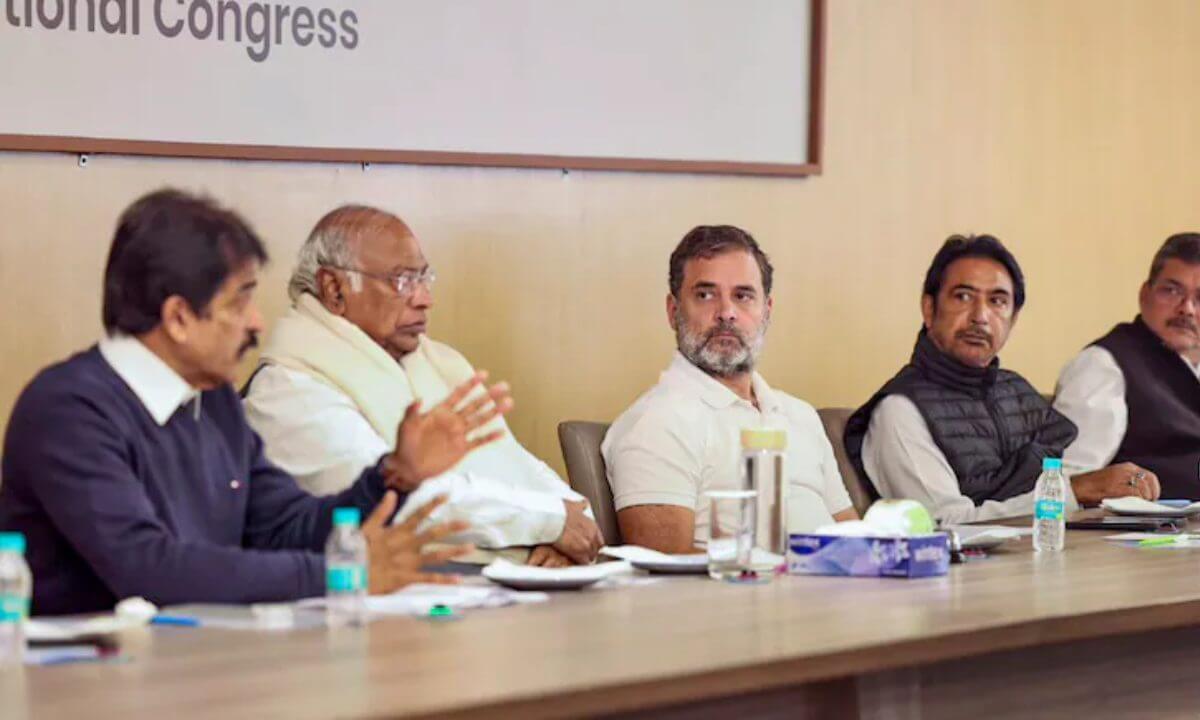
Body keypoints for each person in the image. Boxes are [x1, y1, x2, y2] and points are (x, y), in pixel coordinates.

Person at [0, 190, 514, 615]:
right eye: (238, 301)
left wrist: (395, 476)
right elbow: (148, 569)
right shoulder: (68, 410)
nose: (256, 322)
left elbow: (286, 528)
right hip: (80, 680)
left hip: (202, 661)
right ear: (179, 318)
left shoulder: (214, 401)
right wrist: (339, 574)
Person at [243, 205, 602, 567]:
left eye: (424, 278)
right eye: (402, 281)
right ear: (335, 289)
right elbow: (399, 501)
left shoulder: (433, 362)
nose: (424, 299)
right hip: (409, 586)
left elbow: (519, 465)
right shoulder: (290, 387)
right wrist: (549, 523)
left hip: (499, 577)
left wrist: (575, 519)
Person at [844, 234, 1154, 525]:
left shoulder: (1016, 392)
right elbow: (945, 524)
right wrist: (1073, 492)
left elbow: (1062, 480)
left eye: (997, 301)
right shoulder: (899, 411)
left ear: (1012, 319)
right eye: (963, 296)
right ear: (929, 309)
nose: (980, 316)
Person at [602, 225, 858, 554]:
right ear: (673, 311)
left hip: (837, 584)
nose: (726, 313)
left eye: (743, 296)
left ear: (767, 311)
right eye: (705, 295)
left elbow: (857, 543)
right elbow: (666, 570)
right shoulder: (656, 423)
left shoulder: (801, 415)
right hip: (747, 588)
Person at [1054, 233, 1200, 499]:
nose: (1187, 309)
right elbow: (1067, 485)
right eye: (1172, 290)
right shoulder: (1104, 366)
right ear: (1144, 295)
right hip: (1148, 525)